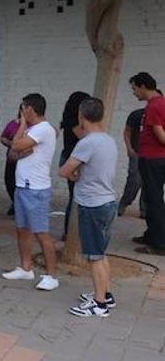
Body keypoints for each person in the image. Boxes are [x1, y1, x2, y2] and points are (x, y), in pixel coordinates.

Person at [58, 98, 118, 317]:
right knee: (101, 253)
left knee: (94, 256)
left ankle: (99, 304)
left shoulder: (87, 142)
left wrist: (75, 175)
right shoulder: (108, 140)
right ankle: (105, 294)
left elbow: (64, 171)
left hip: (92, 205)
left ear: (82, 117)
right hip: (107, 202)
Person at [2, 93, 59, 291]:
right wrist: (20, 141)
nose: (21, 112)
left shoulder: (43, 129)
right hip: (22, 186)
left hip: (36, 188)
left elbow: (15, 145)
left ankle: (51, 275)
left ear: (29, 109)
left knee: (41, 233)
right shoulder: (33, 130)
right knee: (22, 229)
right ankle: (26, 267)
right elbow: (12, 154)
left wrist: (21, 126)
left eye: (23, 108)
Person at [130, 73, 165, 256]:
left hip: (153, 159)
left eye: (135, 88)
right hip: (154, 158)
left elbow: (161, 136)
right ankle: (151, 234)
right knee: (152, 199)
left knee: (154, 200)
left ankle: (159, 243)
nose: (134, 93)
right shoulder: (159, 103)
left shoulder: (154, 107)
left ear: (143, 86)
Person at [60, 91, 92, 240]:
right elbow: (86, 138)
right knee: (75, 197)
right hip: (72, 161)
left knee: (75, 196)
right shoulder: (73, 122)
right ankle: (69, 232)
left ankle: (70, 232)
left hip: (72, 158)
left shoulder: (71, 120)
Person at [118, 107, 146, 217]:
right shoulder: (137, 114)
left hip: (154, 155)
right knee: (134, 180)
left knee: (149, 182)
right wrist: (129, 149)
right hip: (137, 152)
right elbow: (127, 132)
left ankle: (144, 209)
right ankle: (124, 202)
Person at [1, 106, 22, 216]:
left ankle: (19, 206)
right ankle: (15, 202)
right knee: (9, 182)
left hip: (24, 160)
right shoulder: (13, 124)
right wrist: (11, 144)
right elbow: (3, 137)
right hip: (11, 159)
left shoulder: (34, 126)